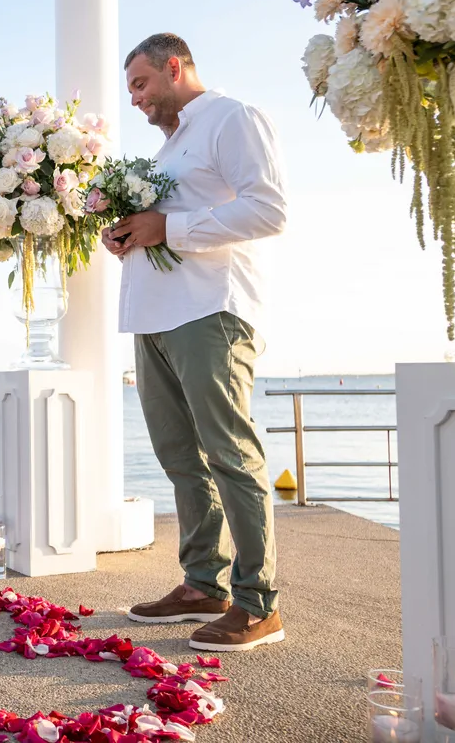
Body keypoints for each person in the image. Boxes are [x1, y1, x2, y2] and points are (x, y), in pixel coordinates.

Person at [103, 33, 288, 652]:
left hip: (212, 311)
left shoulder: (231, 117)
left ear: (173, 67)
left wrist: (168, 226)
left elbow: (269, 211)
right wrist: (131, 233)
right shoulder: (170, 148)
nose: (135, 98)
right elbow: (169, 225)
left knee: (230, 454)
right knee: (180, 458)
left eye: (140, 84)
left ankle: (259, 604)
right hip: (155, 317)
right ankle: (201, 584)